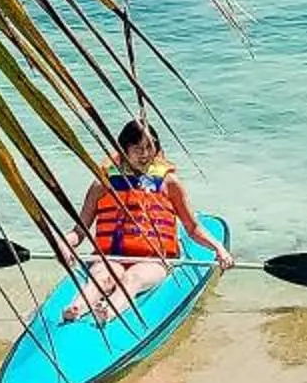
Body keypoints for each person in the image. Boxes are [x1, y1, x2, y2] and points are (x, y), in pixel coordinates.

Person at [61, 120, 232, 325]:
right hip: (111, 256)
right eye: (137, 149)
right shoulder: (102, 184)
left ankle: (109, 311)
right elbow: (80, 231)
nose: (145, 154)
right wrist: (64, 243)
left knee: (132, 278)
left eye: (149, 147)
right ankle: (77, 307)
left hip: (153, 260)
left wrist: (219, 249)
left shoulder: (169, 184)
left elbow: (192, 228)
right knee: (101, 276)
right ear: (123, 149)